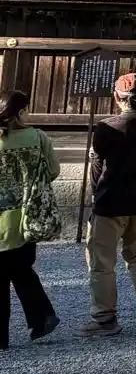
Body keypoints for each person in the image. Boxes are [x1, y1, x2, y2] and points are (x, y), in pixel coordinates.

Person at [82, 71, 136, 336]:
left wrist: (94, 196)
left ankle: (104, 317)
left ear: (117, 96)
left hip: (111, 201)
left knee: (101, 261)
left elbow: (97, 167)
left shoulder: (106, 127)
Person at [1, 90, 60, 347]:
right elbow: (53, 171)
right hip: (27, 216)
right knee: (22, 269)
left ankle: (2, 337)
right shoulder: (37, 137)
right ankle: (41, 318)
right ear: (20, 112)